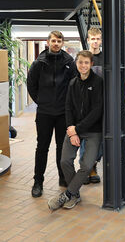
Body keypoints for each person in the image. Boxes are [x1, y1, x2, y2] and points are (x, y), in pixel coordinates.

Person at [47, 50, 103, 210]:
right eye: (80, 62)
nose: (83, 65)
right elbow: (68, 108)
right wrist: (72, 130)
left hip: (93, 130)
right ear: (76, 64)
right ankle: (75, 194)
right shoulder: (72, 83)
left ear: (91, 64)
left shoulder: (98, 82)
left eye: (86, 62)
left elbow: (97, 111)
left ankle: (67, 194)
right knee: (64, 161)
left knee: (86, 165)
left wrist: (77, 129)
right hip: (74, 129)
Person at [27, 31, 76, 198]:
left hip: (63, 113)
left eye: (59, 41)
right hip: (44, 113)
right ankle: (38, 182)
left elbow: (73, 85)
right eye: (53, 40)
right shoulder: (39, 63)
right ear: (48, 42)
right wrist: (41, 101)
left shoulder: (69, 62)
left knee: (62, 148)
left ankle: (63, 178)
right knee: (42, 147)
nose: (56, 43)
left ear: (62, 43)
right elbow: (31, 85)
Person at [82, 27, 103, 185]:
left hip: (101, 104)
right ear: (88, 40)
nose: (95, 41)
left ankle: (93, 165)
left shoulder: (106, 57)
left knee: (99, 138)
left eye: (98, 39)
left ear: (101, 40)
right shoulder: (83, 57)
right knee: (85, 138)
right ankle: (85, 168)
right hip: (85, 105)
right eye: (92, 39)